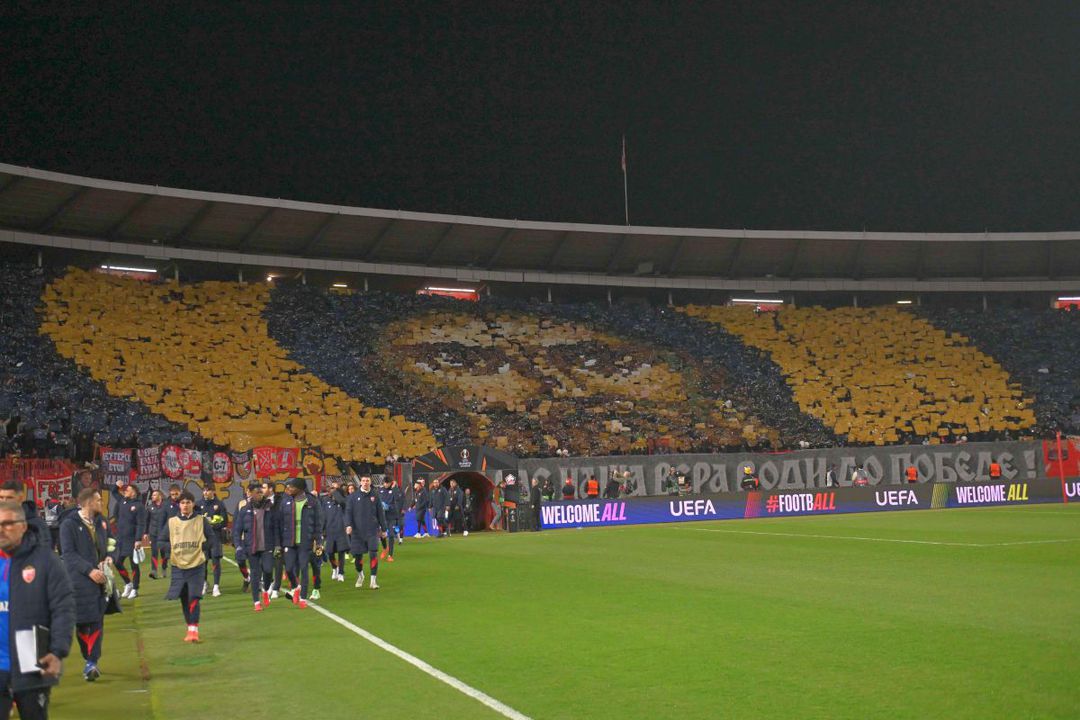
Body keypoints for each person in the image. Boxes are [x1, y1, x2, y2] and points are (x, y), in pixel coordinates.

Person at [0, 500, 75, 720]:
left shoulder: (45, 560)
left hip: (32, 662)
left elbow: (63, 607)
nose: (2, 530)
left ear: (23, 526)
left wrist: (58, 650)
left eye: (8, 524)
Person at [59, 488, 110, 681]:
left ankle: (92, 662)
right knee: (81, 623)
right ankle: (88, 658)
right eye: (98, 500)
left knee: (97, 619)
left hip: (100, 580)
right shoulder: (68, 525)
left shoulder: (101, 522)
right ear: (88, 502)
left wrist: (110, 557)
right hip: (78, 581)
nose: (101, 503)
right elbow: (68, 555)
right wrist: (89, 571)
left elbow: (111, 542)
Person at [164, 491, 214, 643]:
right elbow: (161, 540)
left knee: (194, 596)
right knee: (184, 597)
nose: (185, 505)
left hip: (197, 565)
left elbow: (212, 538)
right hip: (178, 565)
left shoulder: (201, 520)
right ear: (179, 505)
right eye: (182, 503)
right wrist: (172, 549)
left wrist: (201, 548)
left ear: (193, 504)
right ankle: (190, 627)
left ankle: (194, 630)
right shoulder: (172, 522)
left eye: (188, 502)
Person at [232, 483, 279, 612]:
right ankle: (256, 602)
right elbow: (237, 530)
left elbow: (276, 528)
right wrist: (238, 546)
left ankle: (266, 589)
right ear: (251, 494)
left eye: (261, 492)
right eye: (257, 492)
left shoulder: (270, 508)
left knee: (268, 570)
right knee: (255, 574)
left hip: (267, 545)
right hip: (251, 546)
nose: (260, 494)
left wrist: (277, 544)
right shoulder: (244, 510)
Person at [279, 478, 321, 609]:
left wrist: (318, 541)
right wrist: (279, 542)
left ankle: (303, 598)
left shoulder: (312, 501)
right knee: (289, 568)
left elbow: (318, 522)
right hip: (289, 541)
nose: (289, 489)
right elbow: (280, 522)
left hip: (305, 541)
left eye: (292, 487)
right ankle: (296, 587)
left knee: (304, 568)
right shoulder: (285, 501)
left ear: (299, 488)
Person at [345, 475, 386, 590]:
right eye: (363, 480)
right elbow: (348, 512)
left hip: (372, 530)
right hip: (357, 532)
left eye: (367, 480)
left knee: (373, 554)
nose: (365, 482)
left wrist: (384, 529)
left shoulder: (375, 495)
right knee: (358, 557)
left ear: (370, 482)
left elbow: (380, 513)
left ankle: (373, 580)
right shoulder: (353, 497)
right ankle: (360, 575)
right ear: (360, 482)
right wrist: (348, 525)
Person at [109, 482, 147, 600]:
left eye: (128, 489)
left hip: (132, 539)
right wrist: (117, 485)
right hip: (120, 538)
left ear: (134, 492)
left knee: (134, 564)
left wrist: (138, 539)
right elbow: (114, 492)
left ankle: (135, 588)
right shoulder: (122, 501)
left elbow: (141, 524)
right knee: (117, 562)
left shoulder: (139, 506)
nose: (125, 491)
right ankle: (128, 583)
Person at [195, 485, 228, 597]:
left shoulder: (219, 504)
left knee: (215, 561)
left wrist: (214, 525)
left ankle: (216, 586)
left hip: (215, 537)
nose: (205, 492)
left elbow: (224, 521)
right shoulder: (198, 504)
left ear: (213, 491)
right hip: (202, 538)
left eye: (208, 490)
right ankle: (204, 584)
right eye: (204, 490)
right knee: (203, 562)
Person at [260, 480, 285, 599]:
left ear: (271, 489)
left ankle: (276, 588)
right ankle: (270, 583)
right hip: (266, 536)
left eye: (264, 487)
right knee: (266, 565)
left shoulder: (280, 500)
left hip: (280, 535)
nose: (262, 490)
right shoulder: (261, 502)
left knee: (278, 562)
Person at [321, 479, 348, 582]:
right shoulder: (325, 501)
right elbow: (323, 516)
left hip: (341, 531)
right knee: (330, 552)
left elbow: (342, 502)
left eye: (335, 488)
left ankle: (341, 573)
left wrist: (336, 492)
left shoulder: (343, 501)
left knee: (341, 552)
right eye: (331, 488)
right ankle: (334, 568)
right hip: (330, 531)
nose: (332, 489)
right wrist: (322, 530)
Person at [231, 485, 252, 591]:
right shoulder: (241, 504)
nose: (248, 492)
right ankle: (246, 577)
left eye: (250, 490)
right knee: (240, 560)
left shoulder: (261, 503)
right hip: (243, 538)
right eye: (247, 490)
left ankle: (258, 581)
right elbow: (236, 521)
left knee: (256, 562)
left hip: (255, 538)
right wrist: (234, 539)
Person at [378, 476, 403, 561]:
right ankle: (385, 548)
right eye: (384, 483)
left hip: (392, 516)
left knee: (391, 535)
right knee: (381, 534)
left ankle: (390, 555)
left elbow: (397, 499)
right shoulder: (380, 490)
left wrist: (394, 488)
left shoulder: (394, 490)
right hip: (382, 517)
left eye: (387, 483)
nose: (385, 484)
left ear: (390, 483)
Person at [146, 489, 168, 579]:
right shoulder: (150, 507)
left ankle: (164, 570)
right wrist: (145, 532)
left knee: (163, 553)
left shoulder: (166, 506)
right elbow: (147, 520)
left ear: (160, 496)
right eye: (152, 495)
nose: (152, 496)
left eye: (154, 495)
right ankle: (154, 571)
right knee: (154, 552)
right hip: (153, 533)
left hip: (163, 534)